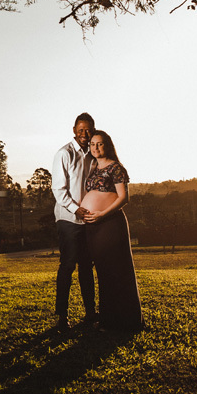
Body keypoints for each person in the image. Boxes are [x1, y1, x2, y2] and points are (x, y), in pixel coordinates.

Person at [81, 129, 144, 331]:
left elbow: (123, 198)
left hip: (110, 224)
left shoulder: (116, 168)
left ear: (107, 145)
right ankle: (109, 320)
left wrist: (102, 214)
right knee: (104, 272)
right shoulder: (93, 168)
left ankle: (126, 321)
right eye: (92, 144)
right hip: (94, 226)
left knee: (117, 271)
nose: (95, 147)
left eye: (99, 144)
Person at [51, 112, 97, 330]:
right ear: (74, 131)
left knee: (87, 267)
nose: (84, 134)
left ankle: (90, 313)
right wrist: (75, 209)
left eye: (88, 130)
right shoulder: (64, 154)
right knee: (67, 266)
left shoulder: (93, 155)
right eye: (80, 130)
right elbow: (58, 190)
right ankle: (62, 317)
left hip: (88, 220)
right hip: (68, 219)